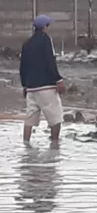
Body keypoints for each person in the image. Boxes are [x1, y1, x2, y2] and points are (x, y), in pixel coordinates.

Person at [19, 15, 65, 144]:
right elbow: (50, 61)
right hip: (46, 87)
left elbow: (23, 66)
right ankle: (54, 144)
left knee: (30, 119)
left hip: (31, 88)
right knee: (55, 118)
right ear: (45, 27)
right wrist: (58, 79)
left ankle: (26, 144)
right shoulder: (46, 40)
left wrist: (24, 85)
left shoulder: (27, 43)